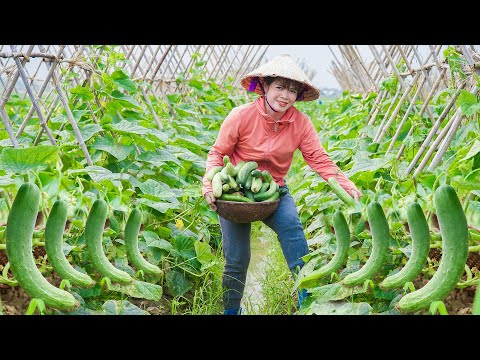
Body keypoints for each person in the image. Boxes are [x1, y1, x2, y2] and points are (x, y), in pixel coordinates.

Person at [202, 54, 362, 315]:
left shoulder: (300, 123)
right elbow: (217, 153)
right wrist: (209, 184)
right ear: (264, 86)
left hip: (275, 191)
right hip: (236, 192)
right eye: (279, 87)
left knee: (295, 239)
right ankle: (231, 311)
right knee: (236, 259)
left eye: (292, 90)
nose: (285, 96)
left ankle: (308, 304)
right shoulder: (240, 116)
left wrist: (346, 185)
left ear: (298, 95)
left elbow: (318, 158)